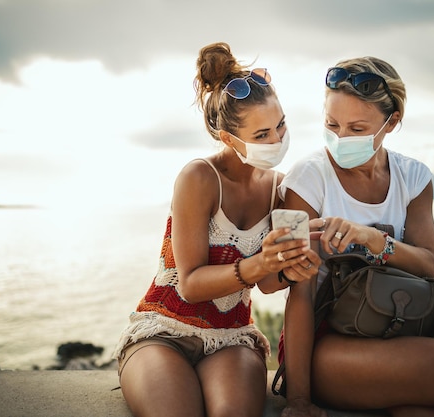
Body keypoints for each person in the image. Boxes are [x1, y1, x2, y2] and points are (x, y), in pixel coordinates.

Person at [277, 57, 434, 417]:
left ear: (392, 122)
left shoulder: (413, 178)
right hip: (325, 345)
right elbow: (300, 292)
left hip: (392, 334)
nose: (340, 138)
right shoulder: (308, 180)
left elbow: (429, 264)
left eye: (357, 128)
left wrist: (374, 241)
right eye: (331, 124)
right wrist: (298, 401)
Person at [113, 42, 321, 417]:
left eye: (281, 125)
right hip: (164, 331)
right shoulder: (199, 177)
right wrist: (260, 264)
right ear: (228, 138)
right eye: (262, 135)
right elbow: (190, 285)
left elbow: (270, 284)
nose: (277, 141)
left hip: (232, 337)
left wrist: (294, 263)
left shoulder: (281, 188)